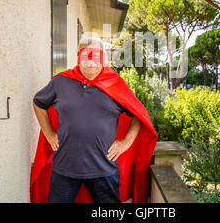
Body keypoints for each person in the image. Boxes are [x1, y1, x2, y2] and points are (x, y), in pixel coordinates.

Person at [30, 36, 157, 203]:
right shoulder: (61, 82)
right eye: (86, 55)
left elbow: (138, 114)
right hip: (64, 169)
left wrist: (126, 141)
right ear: (78, 56)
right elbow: (38, 103)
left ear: (103, 57)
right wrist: (49, 133)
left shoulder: (115, 83)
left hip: (104, 170)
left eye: (96, 55)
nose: (91, 61)